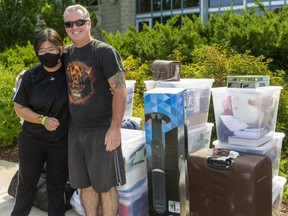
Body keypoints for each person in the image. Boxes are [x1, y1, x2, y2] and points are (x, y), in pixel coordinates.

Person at [63, 4, 127, 216]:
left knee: (106, 185)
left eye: (79, 22)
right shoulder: (66, 54)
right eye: (69, 24)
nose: (75, 27)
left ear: (89, 23)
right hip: (76, 132)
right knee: (85, 185)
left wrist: (115, 128)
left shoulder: (104, 52)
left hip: (102, 130)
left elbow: (120, 90)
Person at [11, 28, 69, 216]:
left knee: (56, 188)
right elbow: (19, 108)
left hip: (60, 143)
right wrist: (42, 120)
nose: (47, 54)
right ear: (36, 53)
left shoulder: (70, 73)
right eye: (42, 51)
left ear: (60, 49)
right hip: (32, 141)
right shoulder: (30, 76)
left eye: (51, 49)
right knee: (26, 185)